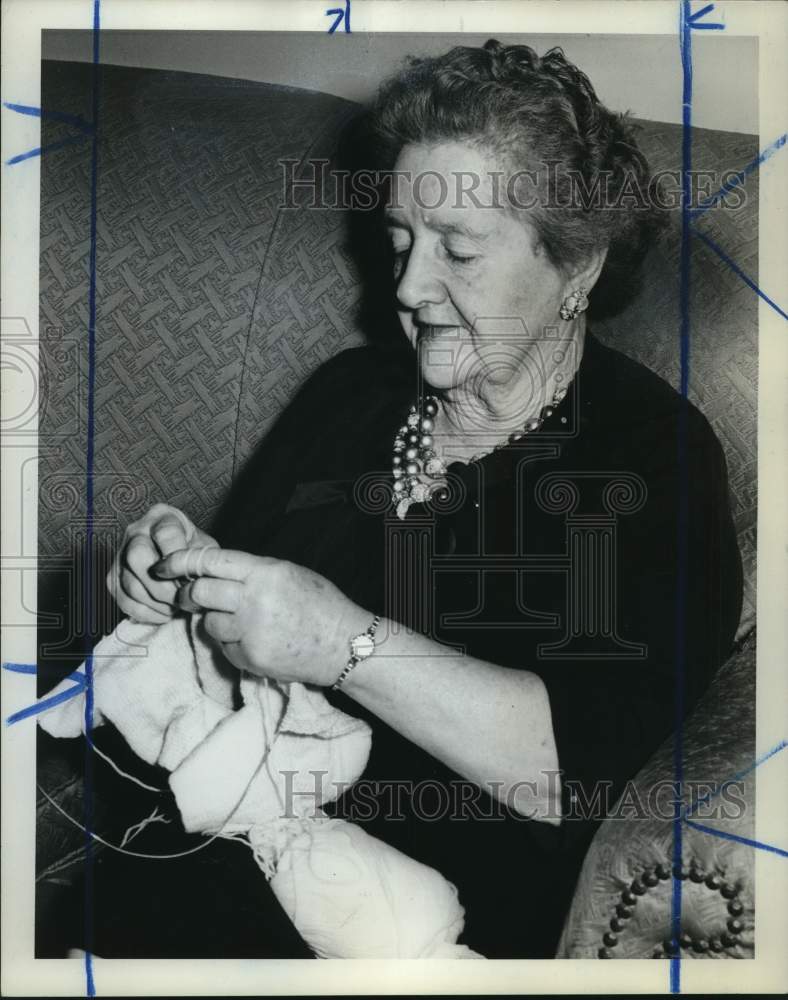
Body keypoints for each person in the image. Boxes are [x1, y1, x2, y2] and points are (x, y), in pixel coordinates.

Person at [100, 39, 742, 959]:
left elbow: (584, 776)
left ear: (581, 265)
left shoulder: (651, 454)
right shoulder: (351, 393)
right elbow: (238, 629)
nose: (407, 285)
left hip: (417, 928)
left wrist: (341, 643)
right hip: (204, 853)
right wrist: (178, 578)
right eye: (400, 240)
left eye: (460, 251)